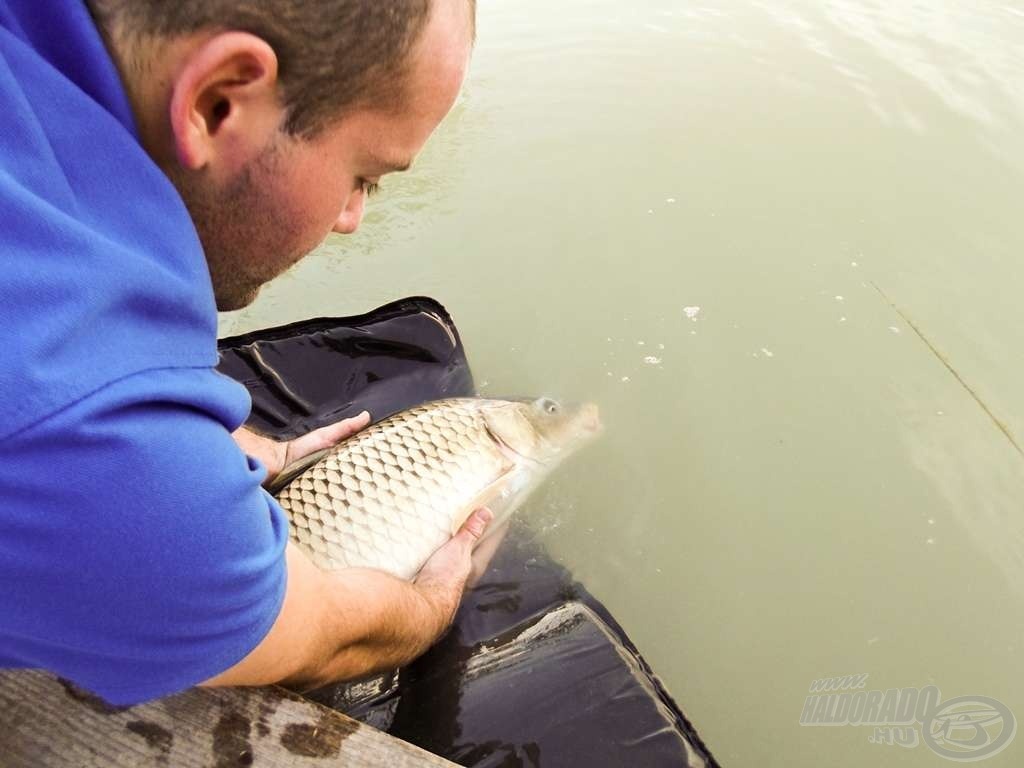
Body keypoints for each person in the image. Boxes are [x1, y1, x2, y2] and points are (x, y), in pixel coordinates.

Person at [0, 0, 490, 706]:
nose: (351, 220)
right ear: (218, 101)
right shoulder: (101, 443)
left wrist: (194, 436)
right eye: (363, 174)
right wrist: (438, 595)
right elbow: (327, 631)